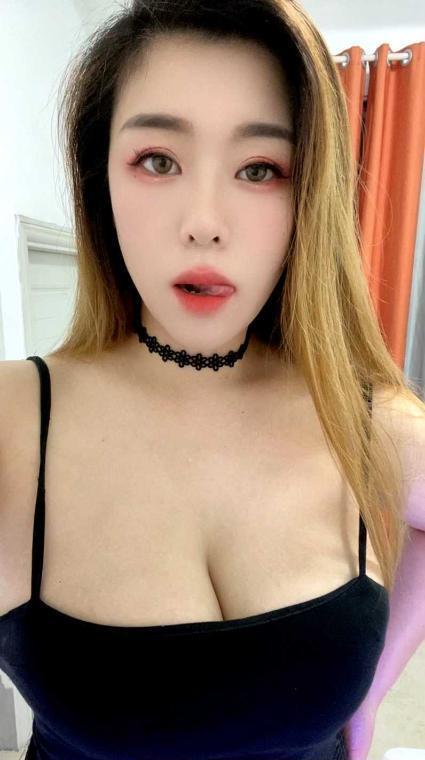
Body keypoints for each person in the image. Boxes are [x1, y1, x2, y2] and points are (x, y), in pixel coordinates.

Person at [1, 1, 424, 759]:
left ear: (309, 196)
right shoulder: (16, 421)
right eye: (158, 160)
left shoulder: (362, 413)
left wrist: (368, 699)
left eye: (260, 169)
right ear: (100, 178)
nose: (204, 221)